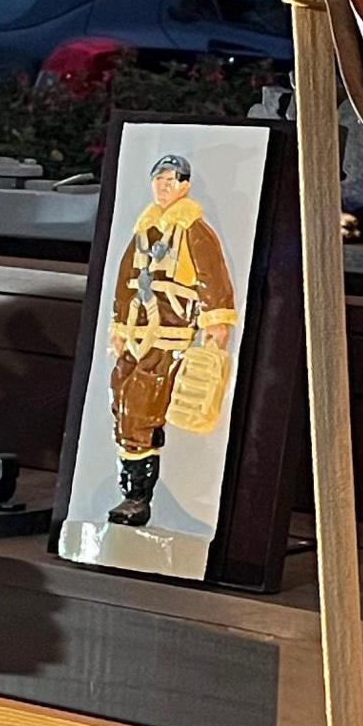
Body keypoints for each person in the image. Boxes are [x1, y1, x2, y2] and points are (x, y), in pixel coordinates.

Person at [102, 152, 237, 527]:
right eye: (158, 180)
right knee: (121, 398)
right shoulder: (144, 229)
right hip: (136, 333)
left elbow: (213, 276)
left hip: (170, 335)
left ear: (184, 186)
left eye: (170, 181)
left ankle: (136, 496)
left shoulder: (193, 228)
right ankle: (130, 486)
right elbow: (124, 281)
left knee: (141, 410)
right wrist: (117, 326)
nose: (163, 187)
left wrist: (216, 320)